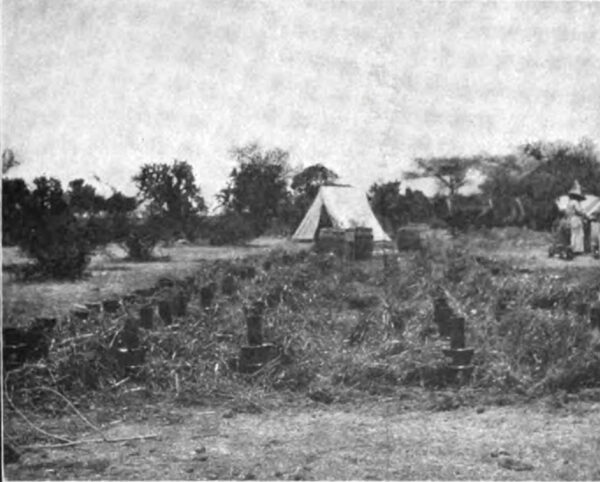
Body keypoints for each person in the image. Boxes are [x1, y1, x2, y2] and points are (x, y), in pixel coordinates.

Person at [565, 180, 588, 254]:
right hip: (576, 219)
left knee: (574, 234)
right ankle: (577, 250)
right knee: (579, 234)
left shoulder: (569, 203)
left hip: (571, 219)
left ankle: (573, 248)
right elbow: (579, 211)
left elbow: (567, 212)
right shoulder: (575, 202)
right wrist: (584, 214)